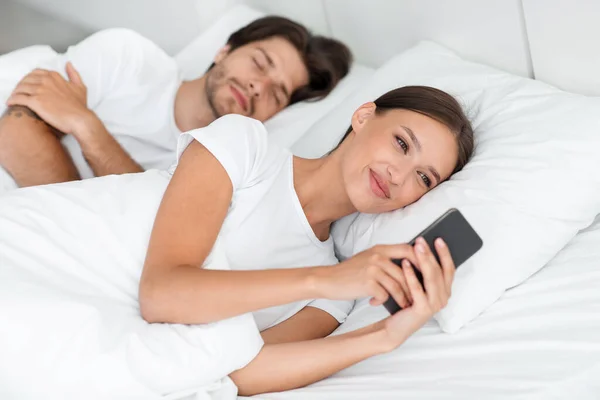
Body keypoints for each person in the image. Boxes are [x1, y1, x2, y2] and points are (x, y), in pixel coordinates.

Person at [138, 85, 475, 395]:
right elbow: (160, 295)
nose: (399, 176)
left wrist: (385, 336)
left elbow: (232, 373)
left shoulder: (334, 301)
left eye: (423, 178)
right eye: (401, 144)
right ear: (363, 117)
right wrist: (323, 281)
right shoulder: (246, 147)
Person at [0, 16, 351, 192]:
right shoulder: (129, 57)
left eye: (277, 94)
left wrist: (87, 126)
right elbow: (15, 132)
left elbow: (149, 222)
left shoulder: (216, 168)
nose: (258, 86)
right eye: (259, 63)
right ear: (224, 50)